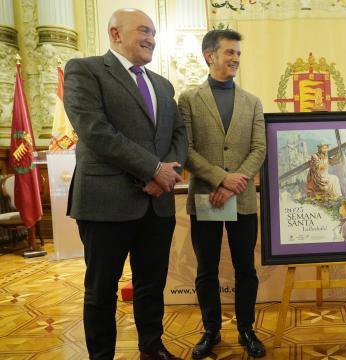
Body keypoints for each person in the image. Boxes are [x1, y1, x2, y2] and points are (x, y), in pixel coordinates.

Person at [64, 8, 186, 360]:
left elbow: (179, 133)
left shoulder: (163, 84)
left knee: (151, 285)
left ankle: (152, 346)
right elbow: (95, 132)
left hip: (157, 203)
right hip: (106, 202)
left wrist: (167, 173)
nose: (151, 39)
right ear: (115, 34)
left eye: (153, 33)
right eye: (143, 31)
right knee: (101, 290)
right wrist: (152, 169)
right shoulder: (84, 71)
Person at [178, 30, 266, 359]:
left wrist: (234, 182)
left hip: (241, 198)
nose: (235, 59)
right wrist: (220, 180)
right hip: (206, 197)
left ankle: (246, 329)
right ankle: (211, 330)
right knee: (206, 270)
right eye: (229, 52)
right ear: (209, 55)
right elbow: (184, 149)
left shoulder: (252, 101)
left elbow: (260, 148)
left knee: (246, 269)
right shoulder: (188, 99)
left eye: (238, 54)